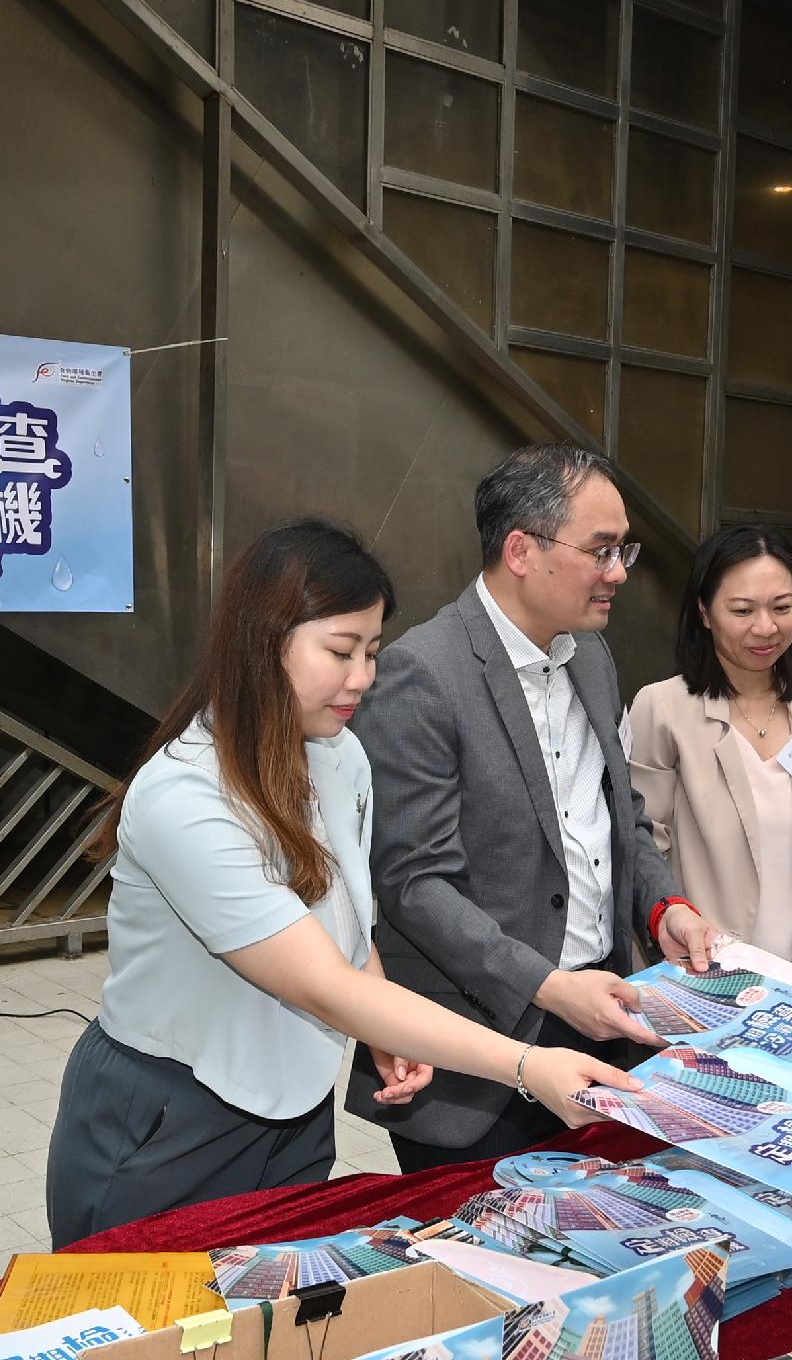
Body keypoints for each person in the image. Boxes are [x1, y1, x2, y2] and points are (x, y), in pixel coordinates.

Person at [53, 521, 644, 1239]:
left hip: (296, 1112)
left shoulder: (340, 757)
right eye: (340, 652)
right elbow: (324, 985)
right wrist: (529, 1066)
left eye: (370, 649)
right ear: (261, 644)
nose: (363, 676)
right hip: (169, 1120)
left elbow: (350, 925)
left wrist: (382, 1026)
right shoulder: (184, 797)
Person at [357, 446, 717, 1163]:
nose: (619, 572)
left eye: (625, 549)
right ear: (521, 550)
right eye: (602, 550)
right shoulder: (421, 674)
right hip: (479, 1055)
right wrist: (549, 987)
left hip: (602, 1018)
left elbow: (622, 818)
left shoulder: (591, 656)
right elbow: (415, 887)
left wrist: (664, 906)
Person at [623, 524, 792, 999]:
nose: (766, 628)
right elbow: (642, 851)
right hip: (702, 980)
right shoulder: (662, 709)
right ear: (704, 611)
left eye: (782, 607)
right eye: (742, 611)